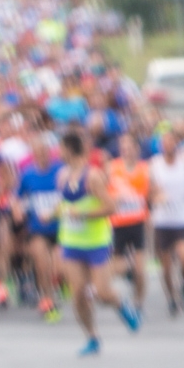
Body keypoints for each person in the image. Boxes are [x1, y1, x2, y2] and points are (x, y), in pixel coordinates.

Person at [57, 130, 139, 356]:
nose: (58, 152)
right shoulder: (62, 176)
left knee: (103, 292)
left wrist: (84, 215)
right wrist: (53, 213)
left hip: (96, 243)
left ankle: (122, 306)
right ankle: (92, 337)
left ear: (69, 149)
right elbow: (65, 206)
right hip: (71, 243)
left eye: (61, 148)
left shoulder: (92, 176)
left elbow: (111, 207)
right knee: (79, 295)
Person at [12, 130, 64, 322]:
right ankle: (47, 299)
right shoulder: (28, 175)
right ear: (33, 154)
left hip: (61, 228)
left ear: (50, 152)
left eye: (44, 151)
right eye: (37, 152)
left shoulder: (60, 170)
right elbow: (16, 198)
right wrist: (17, 210)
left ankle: (60, 284)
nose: (41, 155)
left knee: (58, 268)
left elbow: (70, 193)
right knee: (42, 265)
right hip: (37, 229)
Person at [149, 124, 184, 316]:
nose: (168, 145)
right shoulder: (155, 164)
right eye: (164, 142)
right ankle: (171, 298)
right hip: (163, 220)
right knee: (166, 266)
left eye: (171, 142)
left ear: (177, 144)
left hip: (183, 217)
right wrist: (156, 196)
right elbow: (150, 191)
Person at [106, 133, 151, 315]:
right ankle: (129, 272)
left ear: (136, 149)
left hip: (138, 222)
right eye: (122, 147)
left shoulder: (145, 169)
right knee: (117, 267)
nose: (126, 150)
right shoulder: (112, 168)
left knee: (141, 269)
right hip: (118, 223)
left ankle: (138, 303)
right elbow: (103, 192)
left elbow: (150, 194)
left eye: (129, 146)